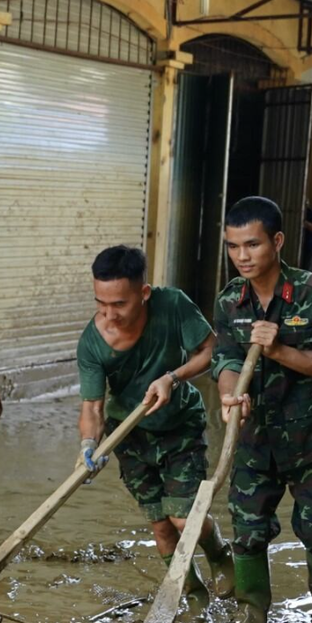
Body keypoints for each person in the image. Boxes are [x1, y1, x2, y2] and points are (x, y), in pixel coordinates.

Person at [207, 196, 312, 623]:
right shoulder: (231, 300)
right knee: (247, 530)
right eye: (233, 247)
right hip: (254, 441)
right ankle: (253, 612)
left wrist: (278, 351)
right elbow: (226, 359)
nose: (242, 257)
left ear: (278, 240)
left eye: (251, 245)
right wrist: (230, 393)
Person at [75, 245, 233, 596]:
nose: (108, 315)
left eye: (119, 304)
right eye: (100, 303)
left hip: (179, 424)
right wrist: (89, 445)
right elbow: (93, 408)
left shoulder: (172, 305)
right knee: (161, 526)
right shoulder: (91, 344)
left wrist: (173, 378)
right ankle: (191, 595)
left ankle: (220, 555)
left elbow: (212, 350)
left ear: (143, 293)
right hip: (130, 436)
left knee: (183, 517)